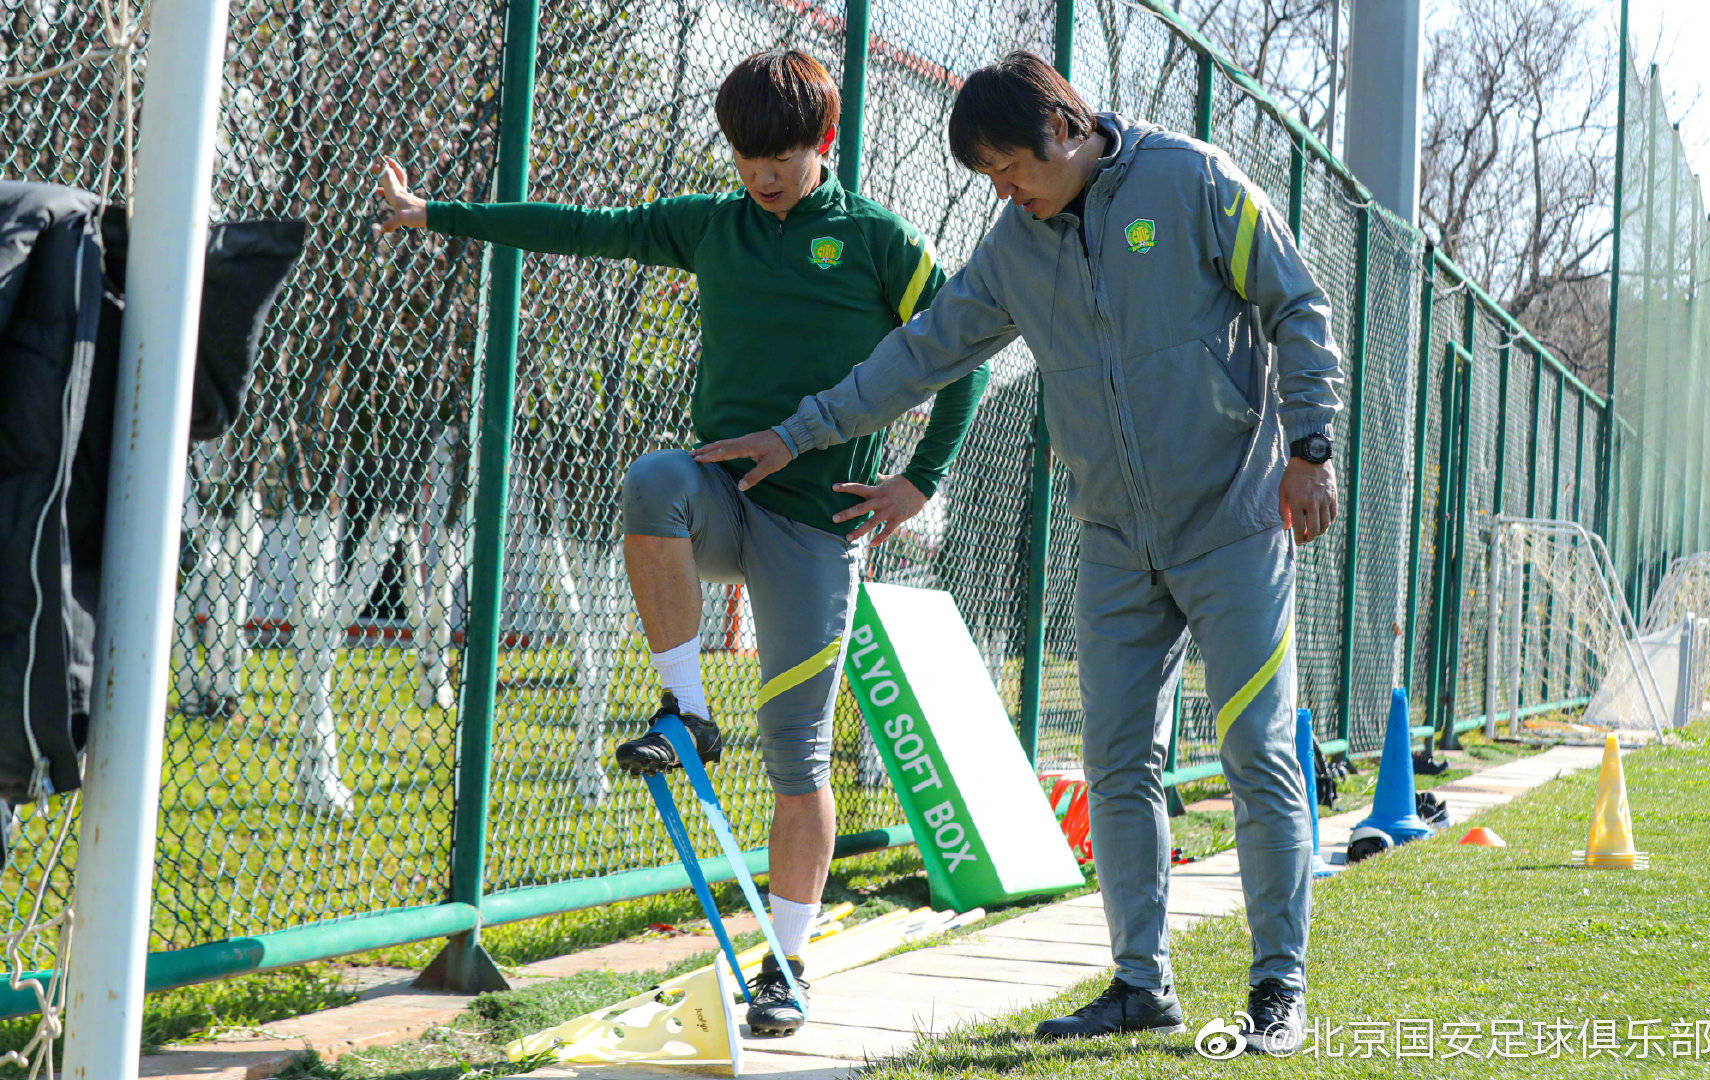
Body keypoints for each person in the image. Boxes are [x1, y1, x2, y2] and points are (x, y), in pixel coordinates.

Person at [693, 50, 1343, 1055]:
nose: (1005, 191)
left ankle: (1277, 990)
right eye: (989, 177)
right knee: (1118, 762)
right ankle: (1140, 981)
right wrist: (803, 429)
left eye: (1010, 168)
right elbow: (919, 355)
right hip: (1117, 538)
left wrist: (1311, 447)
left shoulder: (1194, 180)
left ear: (1067, 130)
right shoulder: (1014, 245)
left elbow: (1297, 304)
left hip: (1238, 519)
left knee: (1257, 749)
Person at [374, 49, 989, 1037]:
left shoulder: (877, 241)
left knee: (798, 763)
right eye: (748, 157)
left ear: (821, 142)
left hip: (816, 528)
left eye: (780, 157)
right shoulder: (713, 225)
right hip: (719, 500)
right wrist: (439, 214)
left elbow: (966, 348)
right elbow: (581, 230)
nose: (762, 177)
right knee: (654, 478)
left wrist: (921, 478)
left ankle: (785, 966)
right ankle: (688, 711)